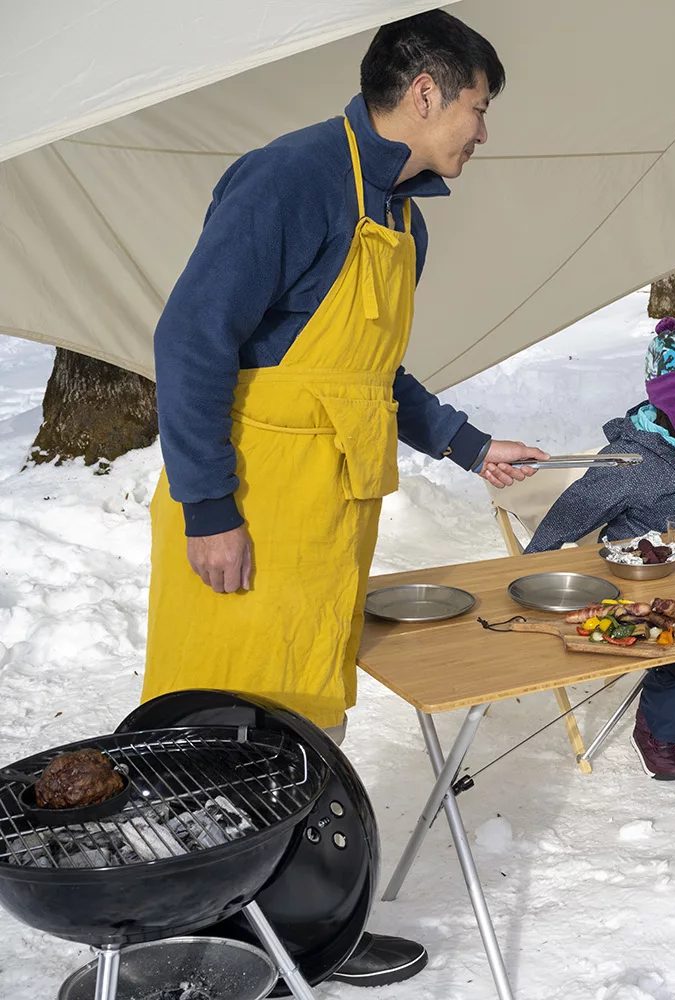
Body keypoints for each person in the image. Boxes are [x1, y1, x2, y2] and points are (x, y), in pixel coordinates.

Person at [142, 12, 547, 988]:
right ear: (426, 93)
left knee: (306, 729)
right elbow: (191, 337)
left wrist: (466, 441)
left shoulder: (400, 213)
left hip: (328, 517)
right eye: (477, 109)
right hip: (250, 510)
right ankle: (183, 942)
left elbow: (372, 373)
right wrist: (207, 508)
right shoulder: (292, 178)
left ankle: (301, 928)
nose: (481, 133)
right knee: (217, 737)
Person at [527, 319, 675, 780]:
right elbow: (573, 513)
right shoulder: (633, 461)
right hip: (639, 582)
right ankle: (658, 728)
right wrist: (532, 570)